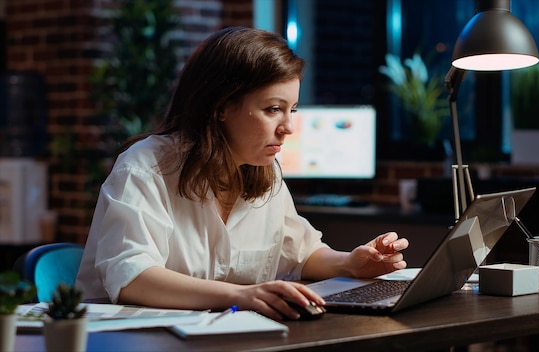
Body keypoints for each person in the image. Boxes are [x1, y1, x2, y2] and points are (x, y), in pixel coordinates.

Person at [76, 26, 409, 321]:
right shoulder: (144, 168)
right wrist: (241, 296)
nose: (288, 127)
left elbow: (301, 253)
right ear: (221, 107)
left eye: (291, 110)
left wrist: (350, 263)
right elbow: (133, 278)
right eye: (272, 109)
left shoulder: (266, 174)